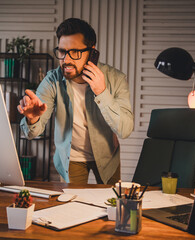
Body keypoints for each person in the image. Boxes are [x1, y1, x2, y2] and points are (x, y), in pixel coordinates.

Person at [18, 18, 134, 185]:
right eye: (62, 51)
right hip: (71, 158)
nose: (66, 60)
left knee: (110, 205)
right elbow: (31, 134)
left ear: (92, 52)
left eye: (75, 52)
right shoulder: (52, 81)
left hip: (107, 157)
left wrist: (101, 92)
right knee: (73, 206)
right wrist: (32, 119)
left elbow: (125, 130)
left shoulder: (116, 79)